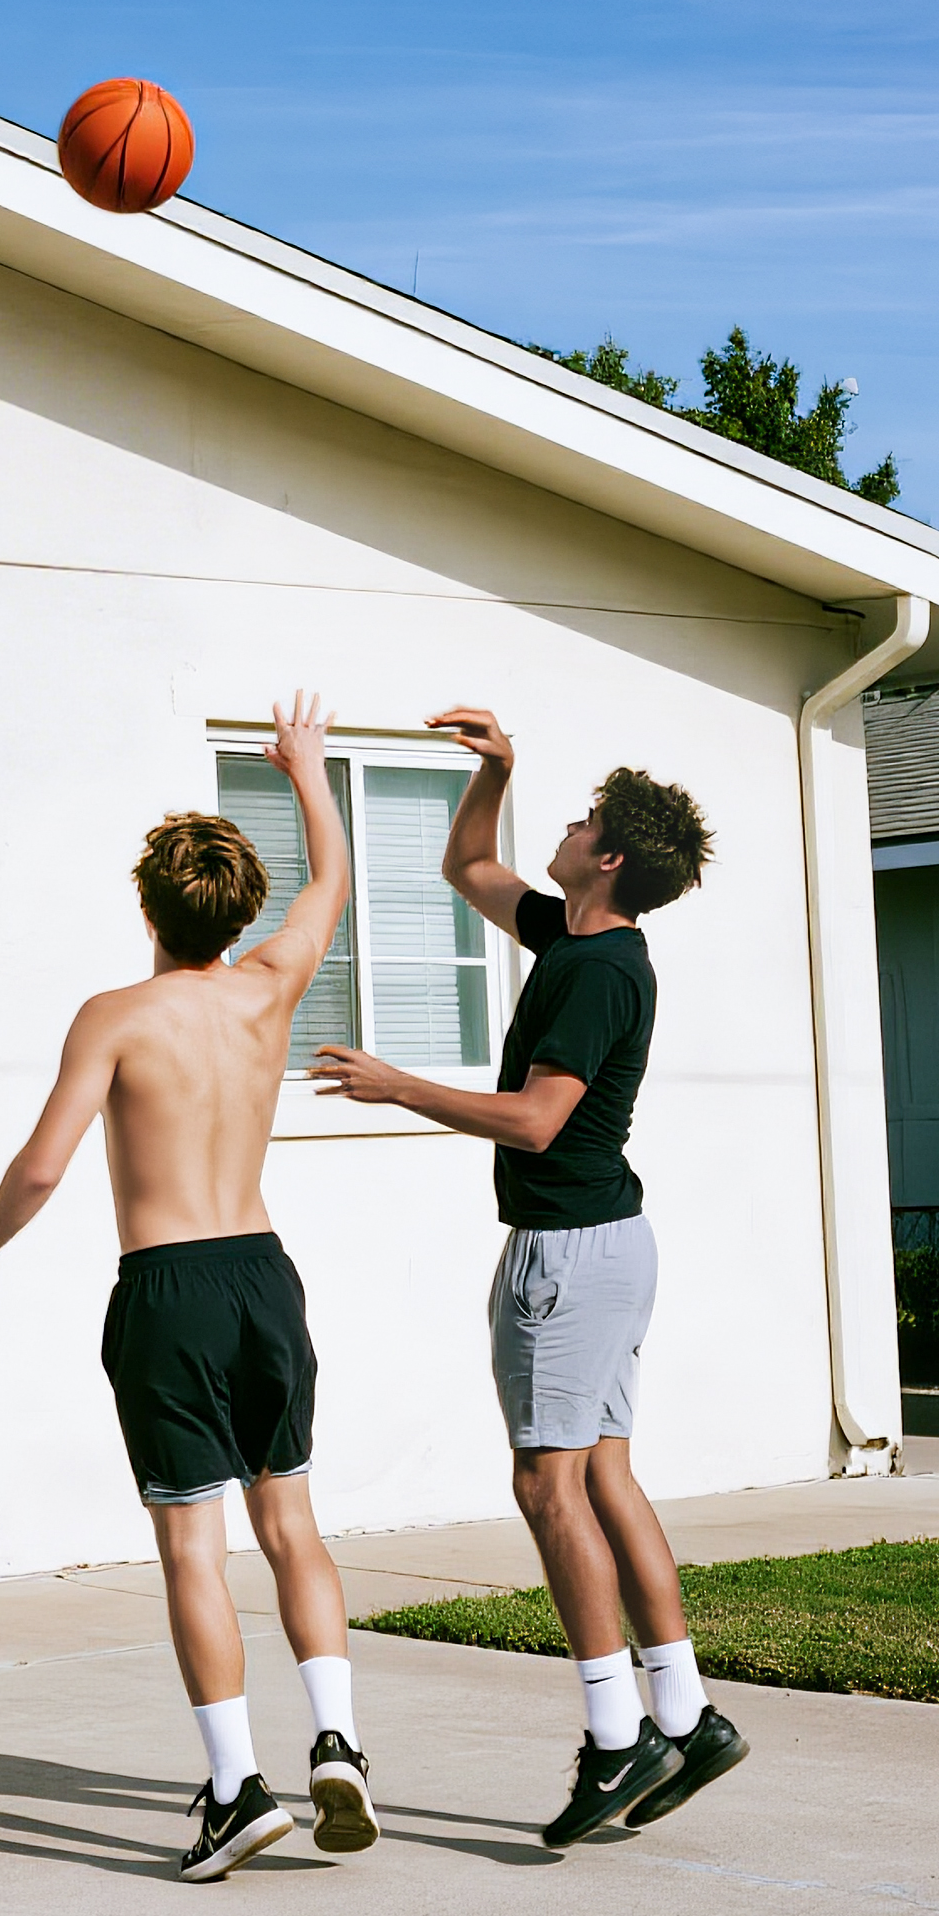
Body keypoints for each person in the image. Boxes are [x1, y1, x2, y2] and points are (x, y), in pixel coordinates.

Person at [0, 693, 380, 1884]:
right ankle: (336, 1739)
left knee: (194, 1544)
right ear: (239, 910)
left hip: (168, 1287)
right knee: (289, 1521)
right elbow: (330, 885)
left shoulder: (114, 1016)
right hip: (263, 1274)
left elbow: (42, 1164)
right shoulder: (270, 985)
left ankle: (235, 1789)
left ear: (147, 907)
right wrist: (307, 771)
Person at [309, 706, 745, 1848]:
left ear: (609, 858)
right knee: (603, 1476)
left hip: (567, 1252)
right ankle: (686, 1716)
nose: (567, 824)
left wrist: (399, 1085)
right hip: (609, 1242)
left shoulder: (593, 972)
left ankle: (617, 1736)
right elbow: (466, 866)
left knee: (549, 1489)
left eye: (584, 819)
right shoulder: (573, 937)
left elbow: (539, 1120)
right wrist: (495, 773)